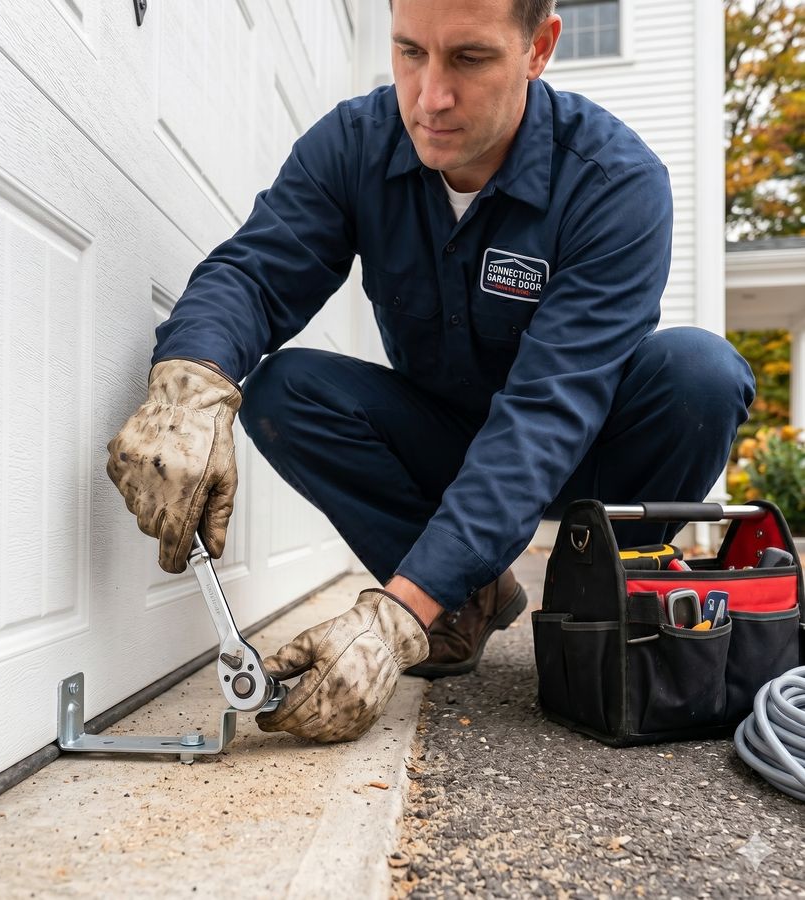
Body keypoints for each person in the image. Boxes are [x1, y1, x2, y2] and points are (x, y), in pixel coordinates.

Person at [107, 0, 755, 743]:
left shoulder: (615, 183)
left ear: (539, 48)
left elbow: (543, 416)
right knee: (285, 392)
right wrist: (187, 387)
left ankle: (614, 604)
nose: (430, 97)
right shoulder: (356, 145)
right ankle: (462, 601)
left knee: (702, 374)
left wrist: (393, 614)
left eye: (469, 58)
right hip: (445, 441)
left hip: (589, 453)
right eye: (410, 52)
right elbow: (255, 273)